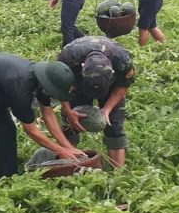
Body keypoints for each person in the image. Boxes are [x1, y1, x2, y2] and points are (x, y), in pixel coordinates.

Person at [56, 36, 134, 168]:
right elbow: (61, 88)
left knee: (114, 124)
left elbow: (123, 86)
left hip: (110, 85)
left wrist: (107, 109)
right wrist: (69, 112)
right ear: (82, 67)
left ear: (113, 72)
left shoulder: (123, 61)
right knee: (70, 124)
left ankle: (119, 172)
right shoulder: (68, 59)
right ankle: (65, 166)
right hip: (78, 82)